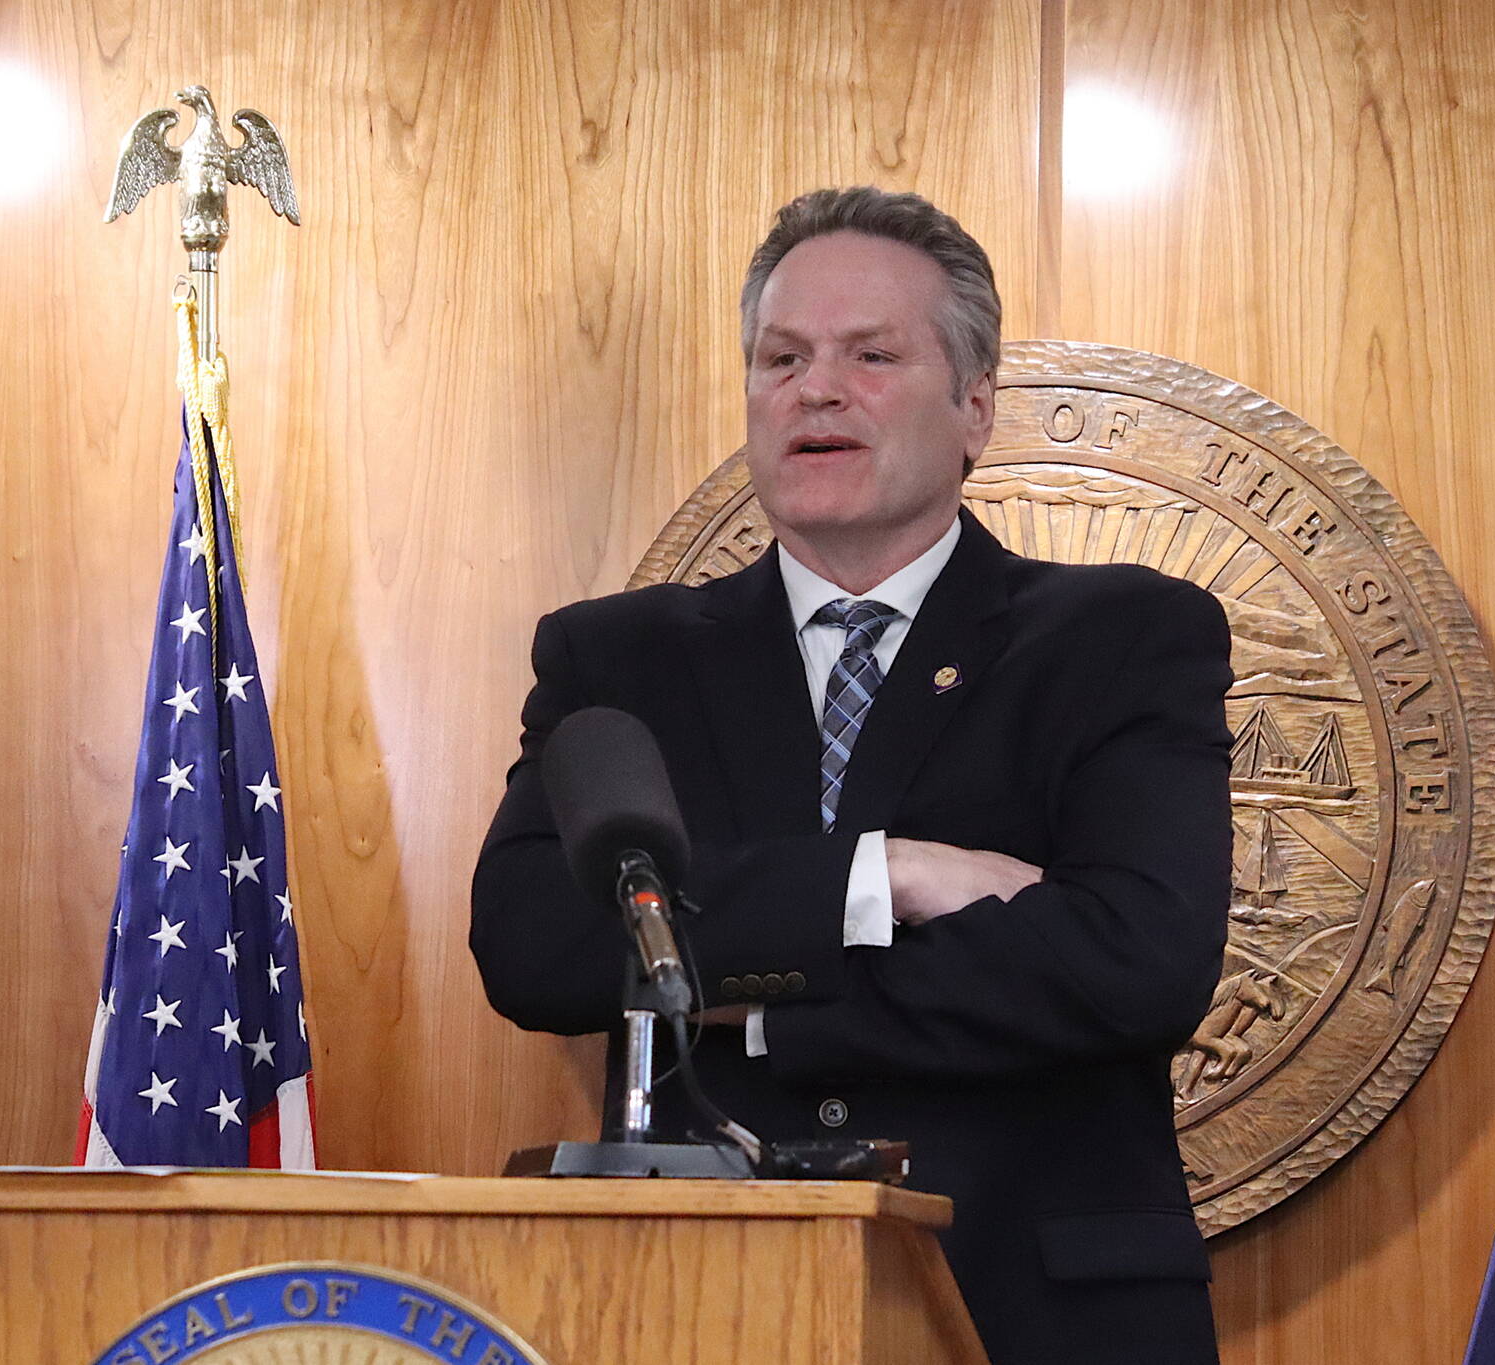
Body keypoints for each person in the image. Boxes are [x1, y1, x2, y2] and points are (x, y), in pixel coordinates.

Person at [471, 186, 1231, 1365]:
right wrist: (885, 879)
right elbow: (533, 943)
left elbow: (1135, 962)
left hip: (1032, 1311)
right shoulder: (617, 656)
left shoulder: (1122, 639)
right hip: (702, 1311)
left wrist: (756, 1009)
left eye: (870, 355)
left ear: (974, 404)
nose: (814, 389)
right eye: (781, 358)